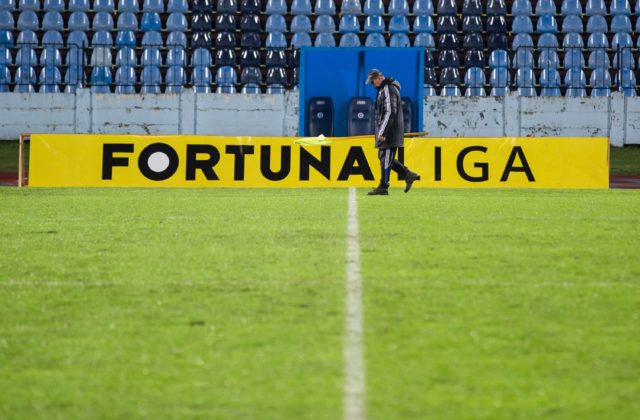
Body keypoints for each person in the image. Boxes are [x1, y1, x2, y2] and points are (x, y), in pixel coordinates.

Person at [365, 69, 420, 196]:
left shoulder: (388, 89)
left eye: (372, 82)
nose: (372, 85)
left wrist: (382, 132)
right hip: (388, 130)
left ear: (379, 78)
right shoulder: (384, 89)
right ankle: (408, 175)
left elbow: (390, 112)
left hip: (390, 131)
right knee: (384, 157)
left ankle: (384, 186)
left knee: (386, 158)